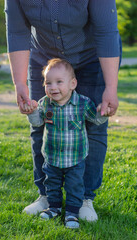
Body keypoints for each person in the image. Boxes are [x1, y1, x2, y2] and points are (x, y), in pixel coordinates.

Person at [4, 0, 122, 222]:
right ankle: (47, 195)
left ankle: (85, 198)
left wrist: (111, 88)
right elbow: (17, 32)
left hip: (92, 56)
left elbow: (106, 31)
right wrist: (20, 84)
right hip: (45, 58)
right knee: (39, 125)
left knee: (95, 124)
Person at [26, 58, 109, 228]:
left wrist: (104, 112)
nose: (53, 87)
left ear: (72, 83)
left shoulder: (83, 103)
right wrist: (32, 111)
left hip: (75, 159)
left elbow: (95, 119)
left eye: (58, 82)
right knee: (52, 184)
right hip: (52, 157)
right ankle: (54, 207)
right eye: (48, 83)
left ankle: (72, 213)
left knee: (75, 186)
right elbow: (37, 123)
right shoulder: (45, 103)